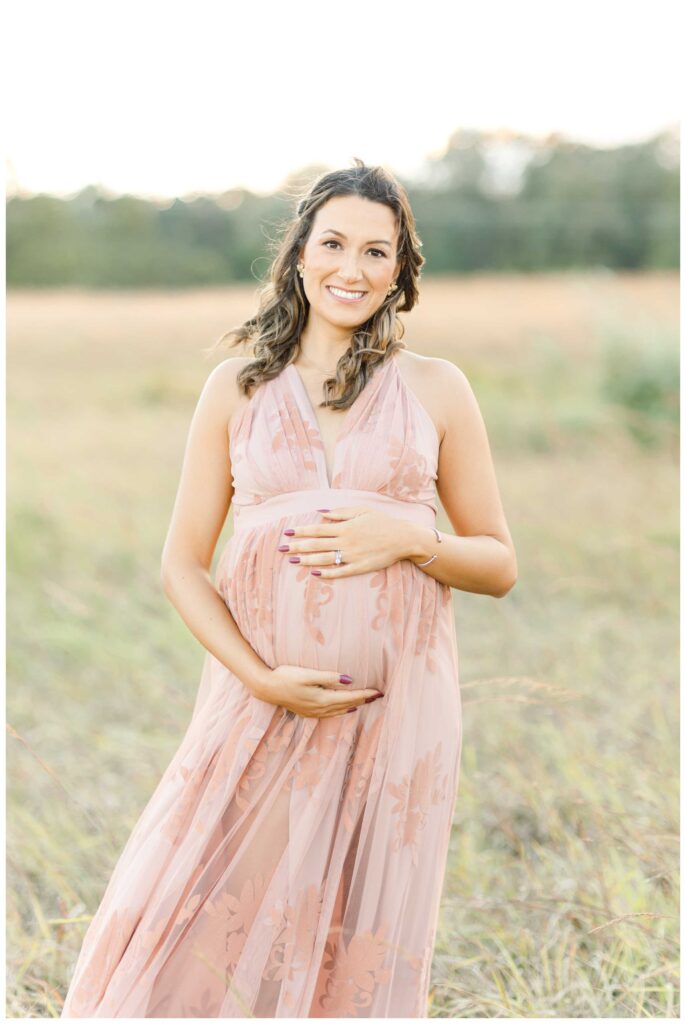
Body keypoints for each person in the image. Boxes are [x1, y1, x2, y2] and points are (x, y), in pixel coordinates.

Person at [61, 159, 517, 1018]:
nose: (353, 268)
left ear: (401, 269)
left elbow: (498, 562)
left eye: (377, 252)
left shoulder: (437, 389)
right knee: (200, 907)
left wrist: (414, 539)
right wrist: (261, 679)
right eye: (335, 244)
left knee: (359, 934)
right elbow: (181, 565)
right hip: (261, 702)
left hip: (399, 712)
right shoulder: (237, 388)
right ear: (300, 256)